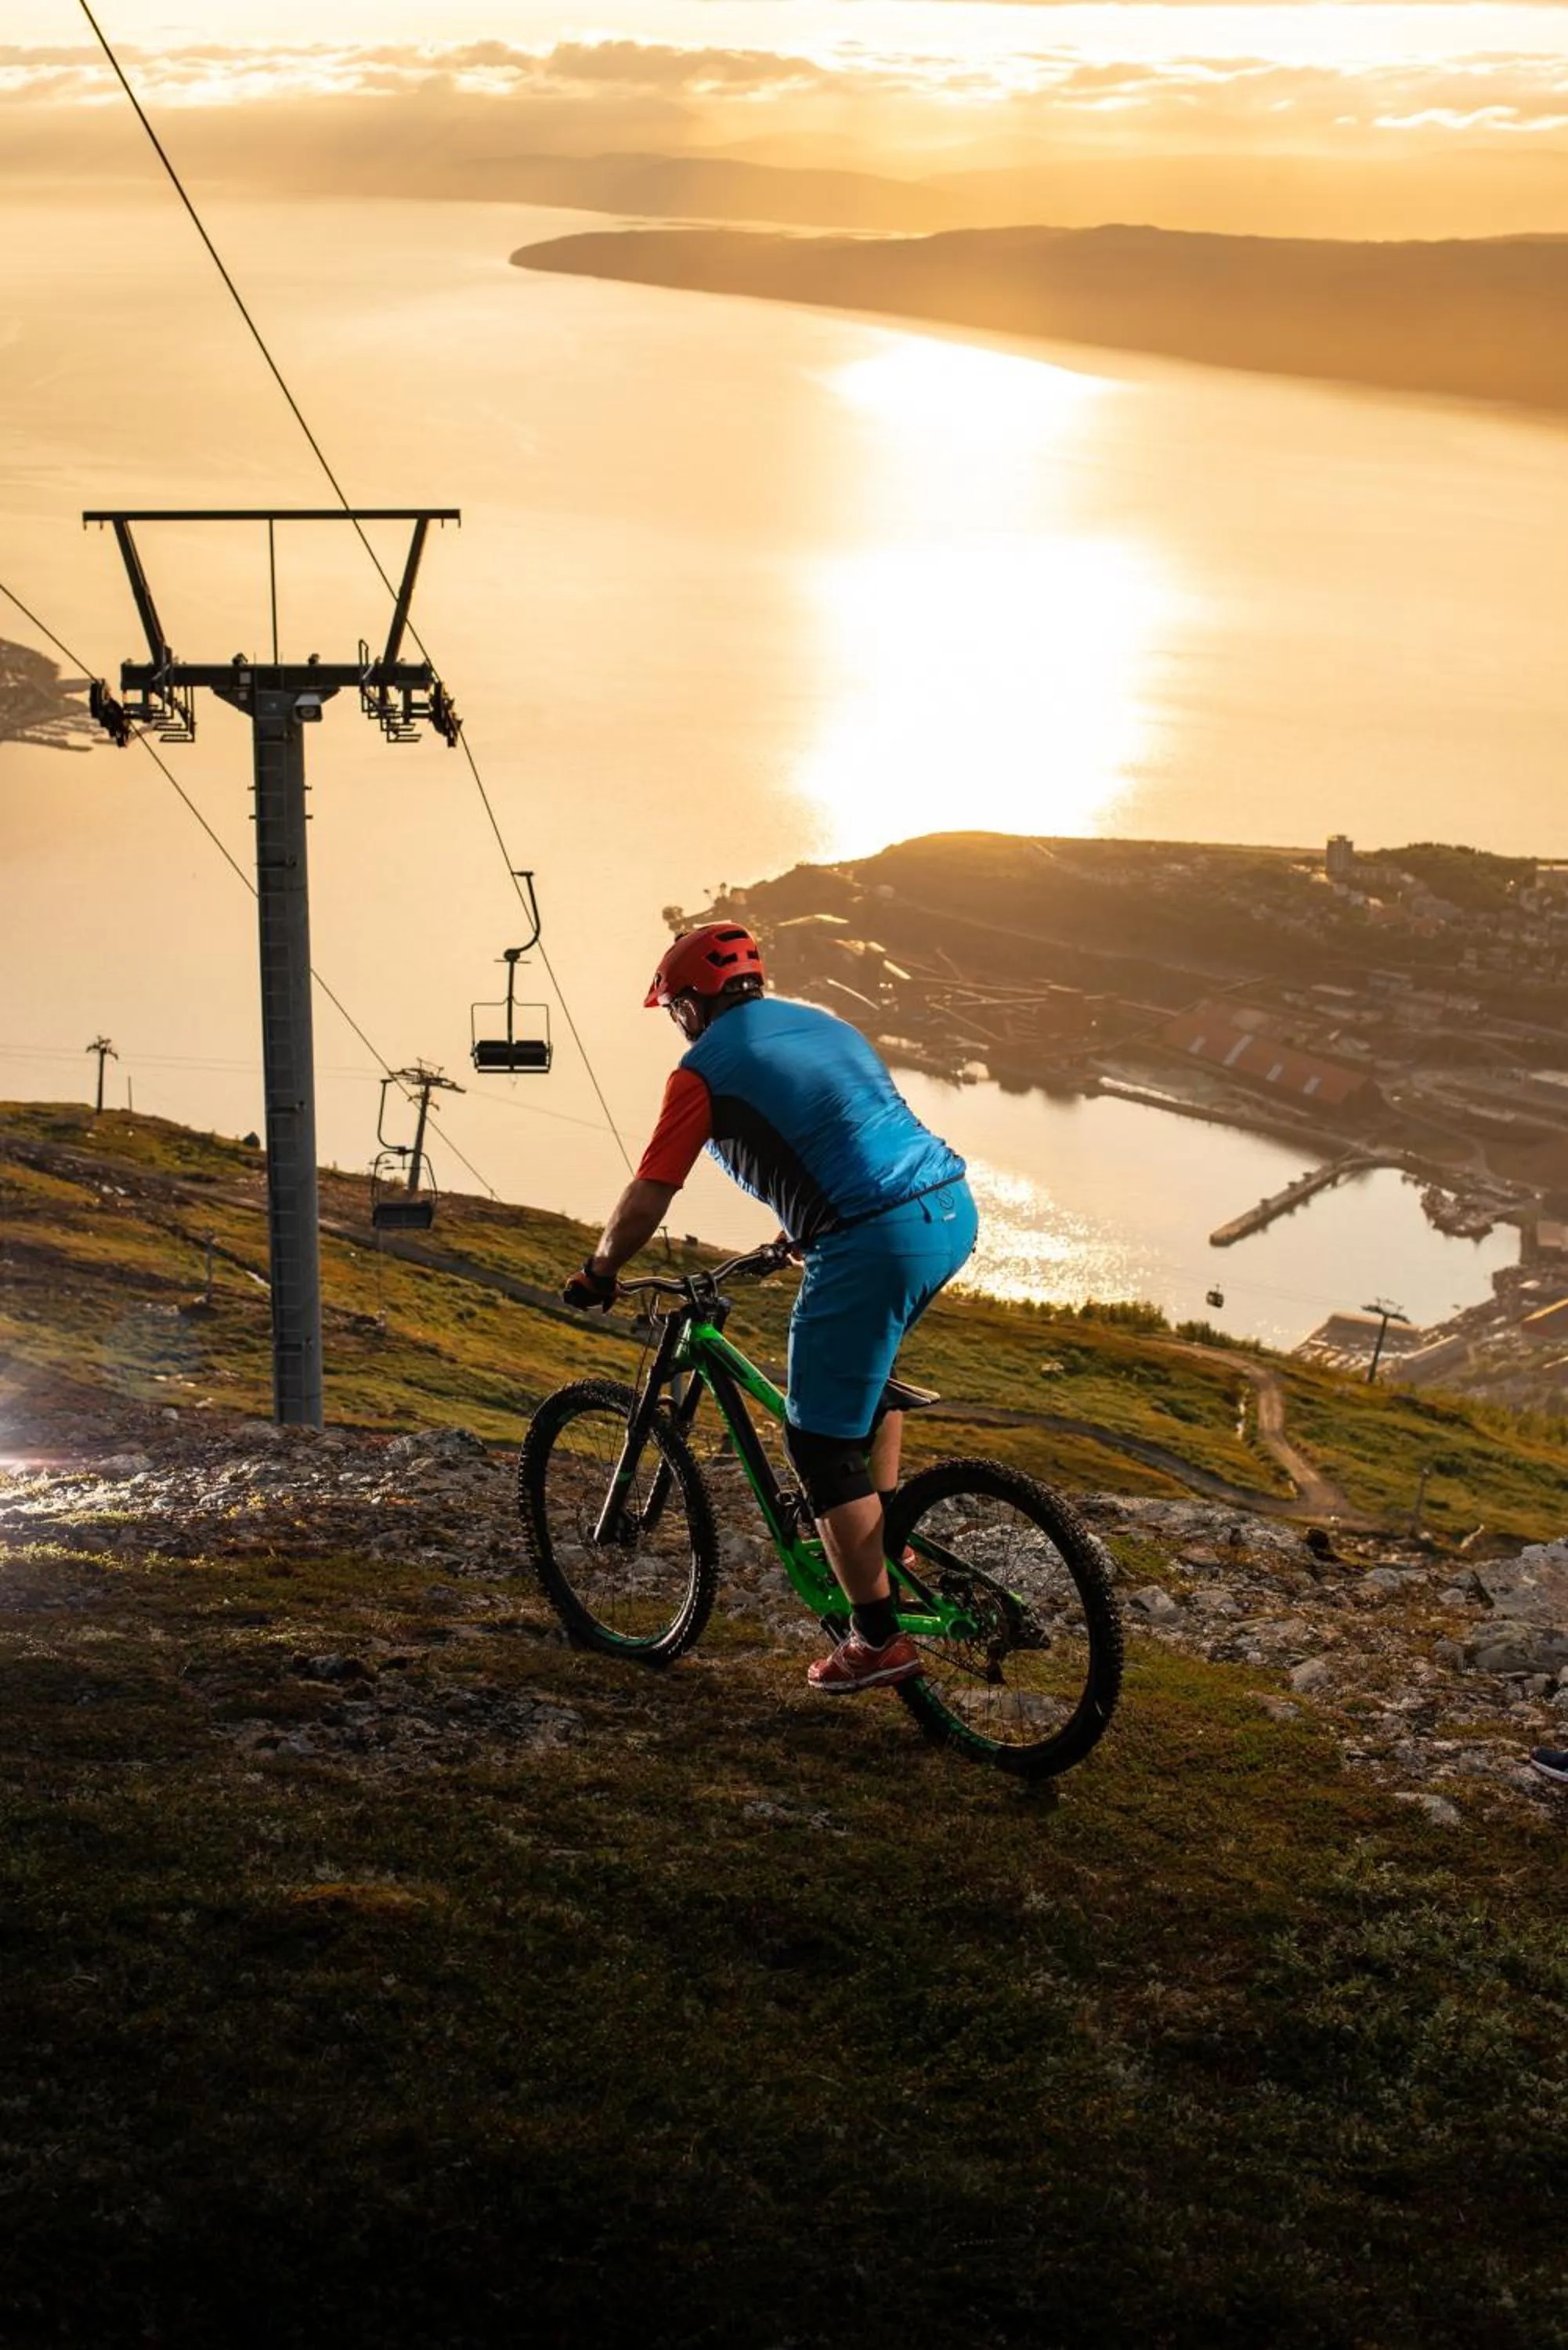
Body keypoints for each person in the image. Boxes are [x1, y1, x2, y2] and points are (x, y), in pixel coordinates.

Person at [562, 920, 977, 1693]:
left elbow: (652, 1189)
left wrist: (600, 1269)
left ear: (690, 1004)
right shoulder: (825, 1023)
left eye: (673, 1010)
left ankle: (876, 1637)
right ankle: (884, 1540)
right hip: (949, 1212)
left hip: (872, 1239)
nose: (675, 1024)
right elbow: (845, 1129)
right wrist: (797, 1230)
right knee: (865, 1377)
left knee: (818, 1448)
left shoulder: (702, 1070)